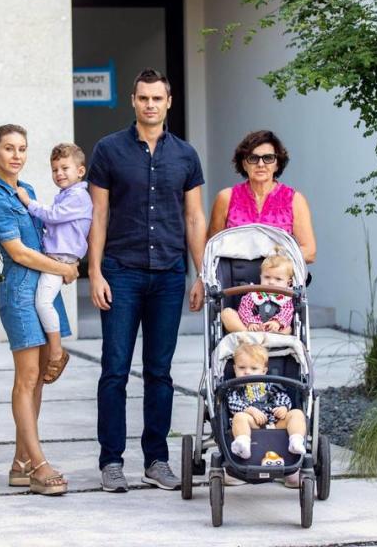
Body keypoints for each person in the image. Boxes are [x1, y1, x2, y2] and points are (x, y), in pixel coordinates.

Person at [88, 68, 207, 493]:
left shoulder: (186, 155)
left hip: (171, 275)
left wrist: (201, 274)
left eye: (157, 98)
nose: (150, 105)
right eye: (143, 98)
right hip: (121, 271)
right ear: (134, 101)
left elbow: (194, 217)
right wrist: (95, 270)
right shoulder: (108, 150)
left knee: (160, 371)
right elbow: (97, 214)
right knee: (115, 370)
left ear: (169, 101)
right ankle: (112, 461)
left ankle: (156, 459)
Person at [0, 124, 79, 496]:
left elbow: (49, 233)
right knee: (26, 378)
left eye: (22, 148)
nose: (17, 155)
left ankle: (21, 463)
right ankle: (38, 465)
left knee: (39, 379)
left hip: (42, 291)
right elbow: (19, 252)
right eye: (8, 148)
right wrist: (64, 269)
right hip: (20, 293)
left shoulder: (29, 191)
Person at [15, 143, 92, 384]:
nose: (59, 173)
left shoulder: (79, 196)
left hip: (61, 260)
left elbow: (53, 216)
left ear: (80, 171)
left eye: (64, 168)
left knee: (43, 302)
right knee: (42, 303)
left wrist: (28, 202)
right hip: (54, 258)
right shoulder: (66, 195)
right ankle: (54, 348)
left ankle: (57, 352)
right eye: (54, 169)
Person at [207, 130, 317, 263]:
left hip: (278, 282)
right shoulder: (226, 198)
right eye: (253, 158)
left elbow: (309, 252)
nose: (261, 164)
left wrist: (272, 258)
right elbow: (211, 248)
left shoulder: (294, 199)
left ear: (277, 164)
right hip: (235, 282)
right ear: (244, 164)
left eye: (268, 158)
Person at [226, 342, 307, 486]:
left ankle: (295, 441)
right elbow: (232, 403)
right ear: (234, 368)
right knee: (239, 417)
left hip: (275, 423)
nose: (247, 372)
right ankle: (243, 444)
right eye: (242, 368)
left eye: (253, 368)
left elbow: (282, 397)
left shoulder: (271, 385)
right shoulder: (235, 388)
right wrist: (249, 409)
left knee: (297, 414)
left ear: (264, 371)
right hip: (252, 425)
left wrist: (283, 407)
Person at [221, 250, 294, 334]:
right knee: (227, 313)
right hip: (251, 329)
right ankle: (248, 335)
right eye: (267, 277)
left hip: (273, 330)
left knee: (288, 328)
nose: (271, 282)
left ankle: (272, 338)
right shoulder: (254, 294)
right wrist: (250, 322)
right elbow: (245, 309)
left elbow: (287, 312)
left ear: (288, 283)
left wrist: (277, 322)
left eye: (278, 279)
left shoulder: (286, 297)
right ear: (261, 277)